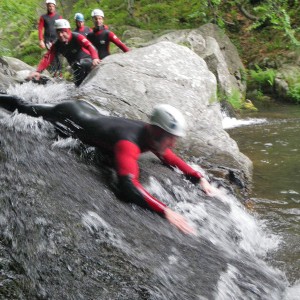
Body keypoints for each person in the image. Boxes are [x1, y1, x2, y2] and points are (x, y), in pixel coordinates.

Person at [0, 95, 214, 234]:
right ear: (157, 131)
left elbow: (169, 157)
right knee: (24, 108)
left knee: (27, 107)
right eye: (171, 137)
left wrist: (198, 178)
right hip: (69, 114)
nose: (173, 143)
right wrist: (166, 211)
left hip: (87, 111)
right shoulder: (128, 143)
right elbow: (128, 187)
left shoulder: (151, 136)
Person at [28, 19, 101, 87]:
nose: (60, 35)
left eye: (63, 32)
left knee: (79, 65)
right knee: (78, 81)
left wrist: (95, 58)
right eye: (58, 32)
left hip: (88, 61)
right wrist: (38, 71)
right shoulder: (57, 44)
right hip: (76, 67)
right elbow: (48, 57)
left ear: (68, 31)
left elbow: (90, 46)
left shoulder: (77, 37)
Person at [38, 0, 62, 77]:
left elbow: (62, 28)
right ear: (47, 7)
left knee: (58, 55)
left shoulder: (58, 17)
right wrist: (41, 40)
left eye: (52, 6)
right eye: (49, 6)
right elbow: (40, 29)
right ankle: (55, 73)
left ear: (55, 7)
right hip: (48, 40)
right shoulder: (43, 17)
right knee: (53, 54)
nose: (51, 8)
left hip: (57, 39)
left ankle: (59, 72)